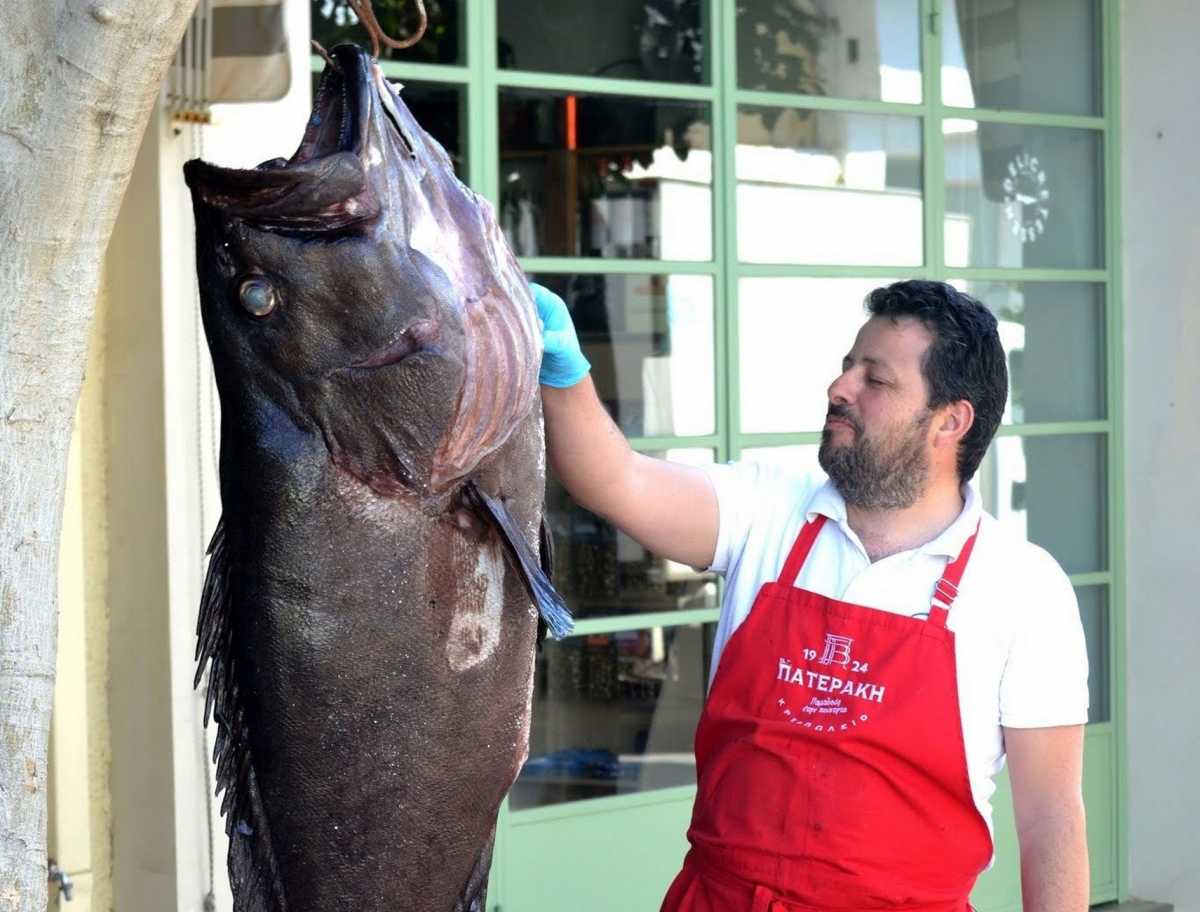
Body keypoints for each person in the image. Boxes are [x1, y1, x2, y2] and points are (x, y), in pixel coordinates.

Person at [533, 279, 1090, 912]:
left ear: (950, 422)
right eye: (847, 366)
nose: (840, 388)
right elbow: (615, 480)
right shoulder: (769, 509)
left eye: (874, 381)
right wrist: (562, 369)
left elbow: (1051, 818)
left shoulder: (1023, 587)